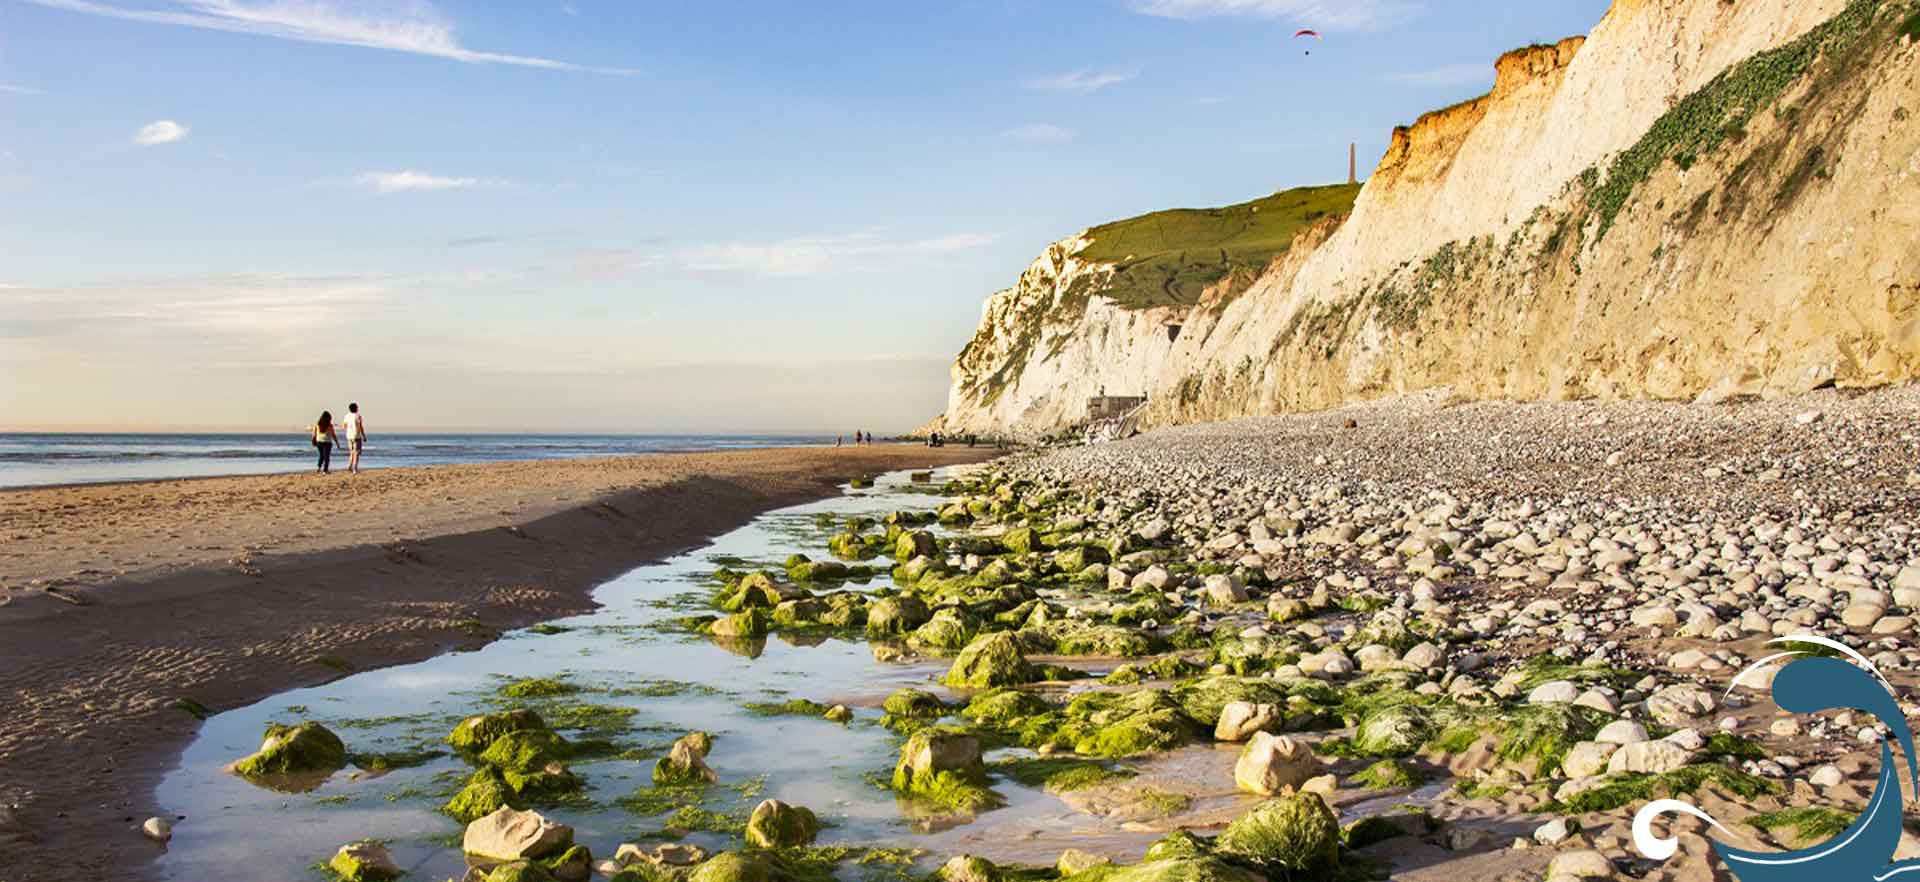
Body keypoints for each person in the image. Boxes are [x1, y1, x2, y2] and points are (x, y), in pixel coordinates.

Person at [343, 402, 367, 474]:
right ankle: (355, 468)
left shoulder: (346, 416)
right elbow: (360, 426)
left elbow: (344, 426)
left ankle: (350, 466)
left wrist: (349, 429)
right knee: (356, 453)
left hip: (349, 436)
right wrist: (364, 435)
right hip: (356, 436)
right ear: (355, 408)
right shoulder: (358, 416)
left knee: (351, 452)